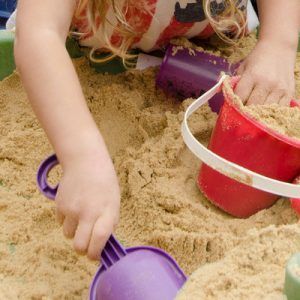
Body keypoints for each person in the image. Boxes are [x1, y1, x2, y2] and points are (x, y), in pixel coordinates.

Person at [14, 0, 300, 260]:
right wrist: (81, 157)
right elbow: (41, 32)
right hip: (94, 55)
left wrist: (278, 44)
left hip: (215, 35)